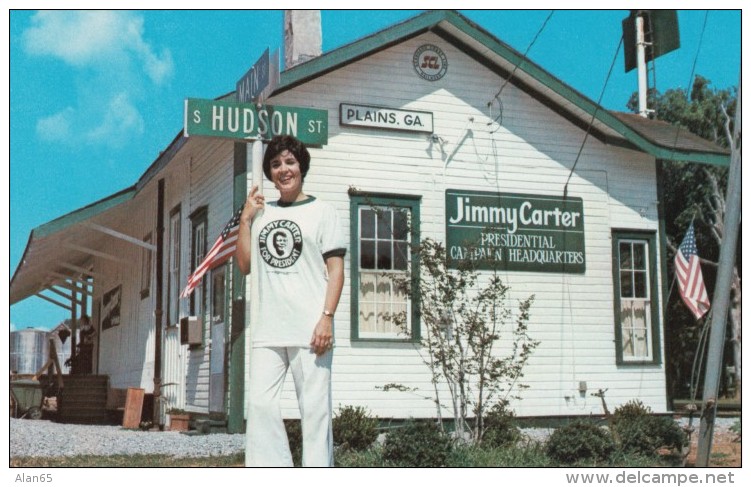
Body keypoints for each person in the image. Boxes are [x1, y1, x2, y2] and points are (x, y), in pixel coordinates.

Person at [236, 135, 346, 467]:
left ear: (301, 167)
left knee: (314, 413)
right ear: (269, 172)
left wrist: (326, 317)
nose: (283, 169)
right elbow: (245, 265)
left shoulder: (323, 211)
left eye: (289, 162)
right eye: (275, 164)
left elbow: (336, 270)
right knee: (259, 406)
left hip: (311, 330)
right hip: (269, 328)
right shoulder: (261, 213)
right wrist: (246, 219)